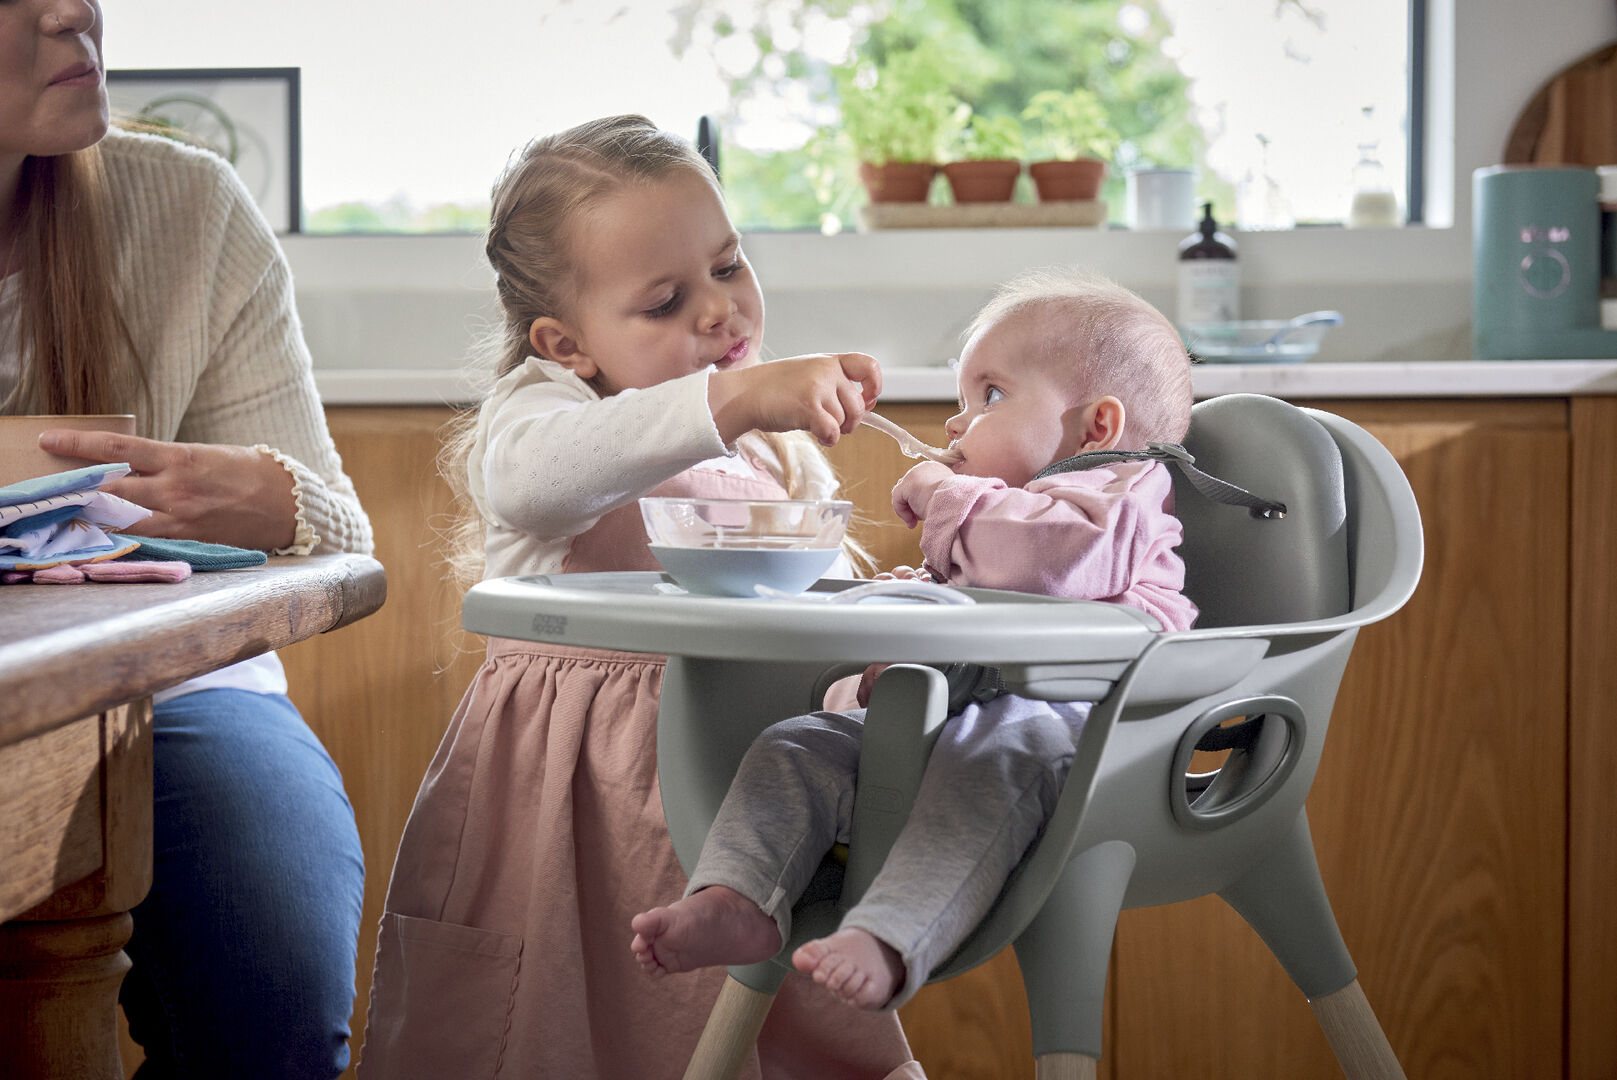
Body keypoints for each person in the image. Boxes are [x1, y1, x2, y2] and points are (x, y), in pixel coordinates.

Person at [359, 115, 923, 1080]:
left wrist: (879, 620)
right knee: (560, 1028)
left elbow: (804, 606)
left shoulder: (773, 452)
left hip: (743, 807)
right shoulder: (546, 413)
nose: (718, 311)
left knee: (759, 1033)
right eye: (664, 301)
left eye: (729, 266)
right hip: (575, 801)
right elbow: (539, 481)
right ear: (564, 343)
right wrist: (733, 401)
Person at [630, 268, 1198, 1011]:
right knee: (798, 742)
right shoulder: (998, 523)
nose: (957, 426)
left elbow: (1048, 563)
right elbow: (970, 610)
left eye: (989, 396)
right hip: (947, 729)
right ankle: (737, 896)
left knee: (990, 761)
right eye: (962, 401)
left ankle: (890, 940)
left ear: (1096, 428)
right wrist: (891, 639)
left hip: (1086, 744)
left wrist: (944, 495)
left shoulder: (1118, 496)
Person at [1, 1, 374, 1077]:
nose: (73, 9)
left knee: (278, 1007)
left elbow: (346, 535)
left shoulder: (193, 208)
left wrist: (279, 502)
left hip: (176, 695)